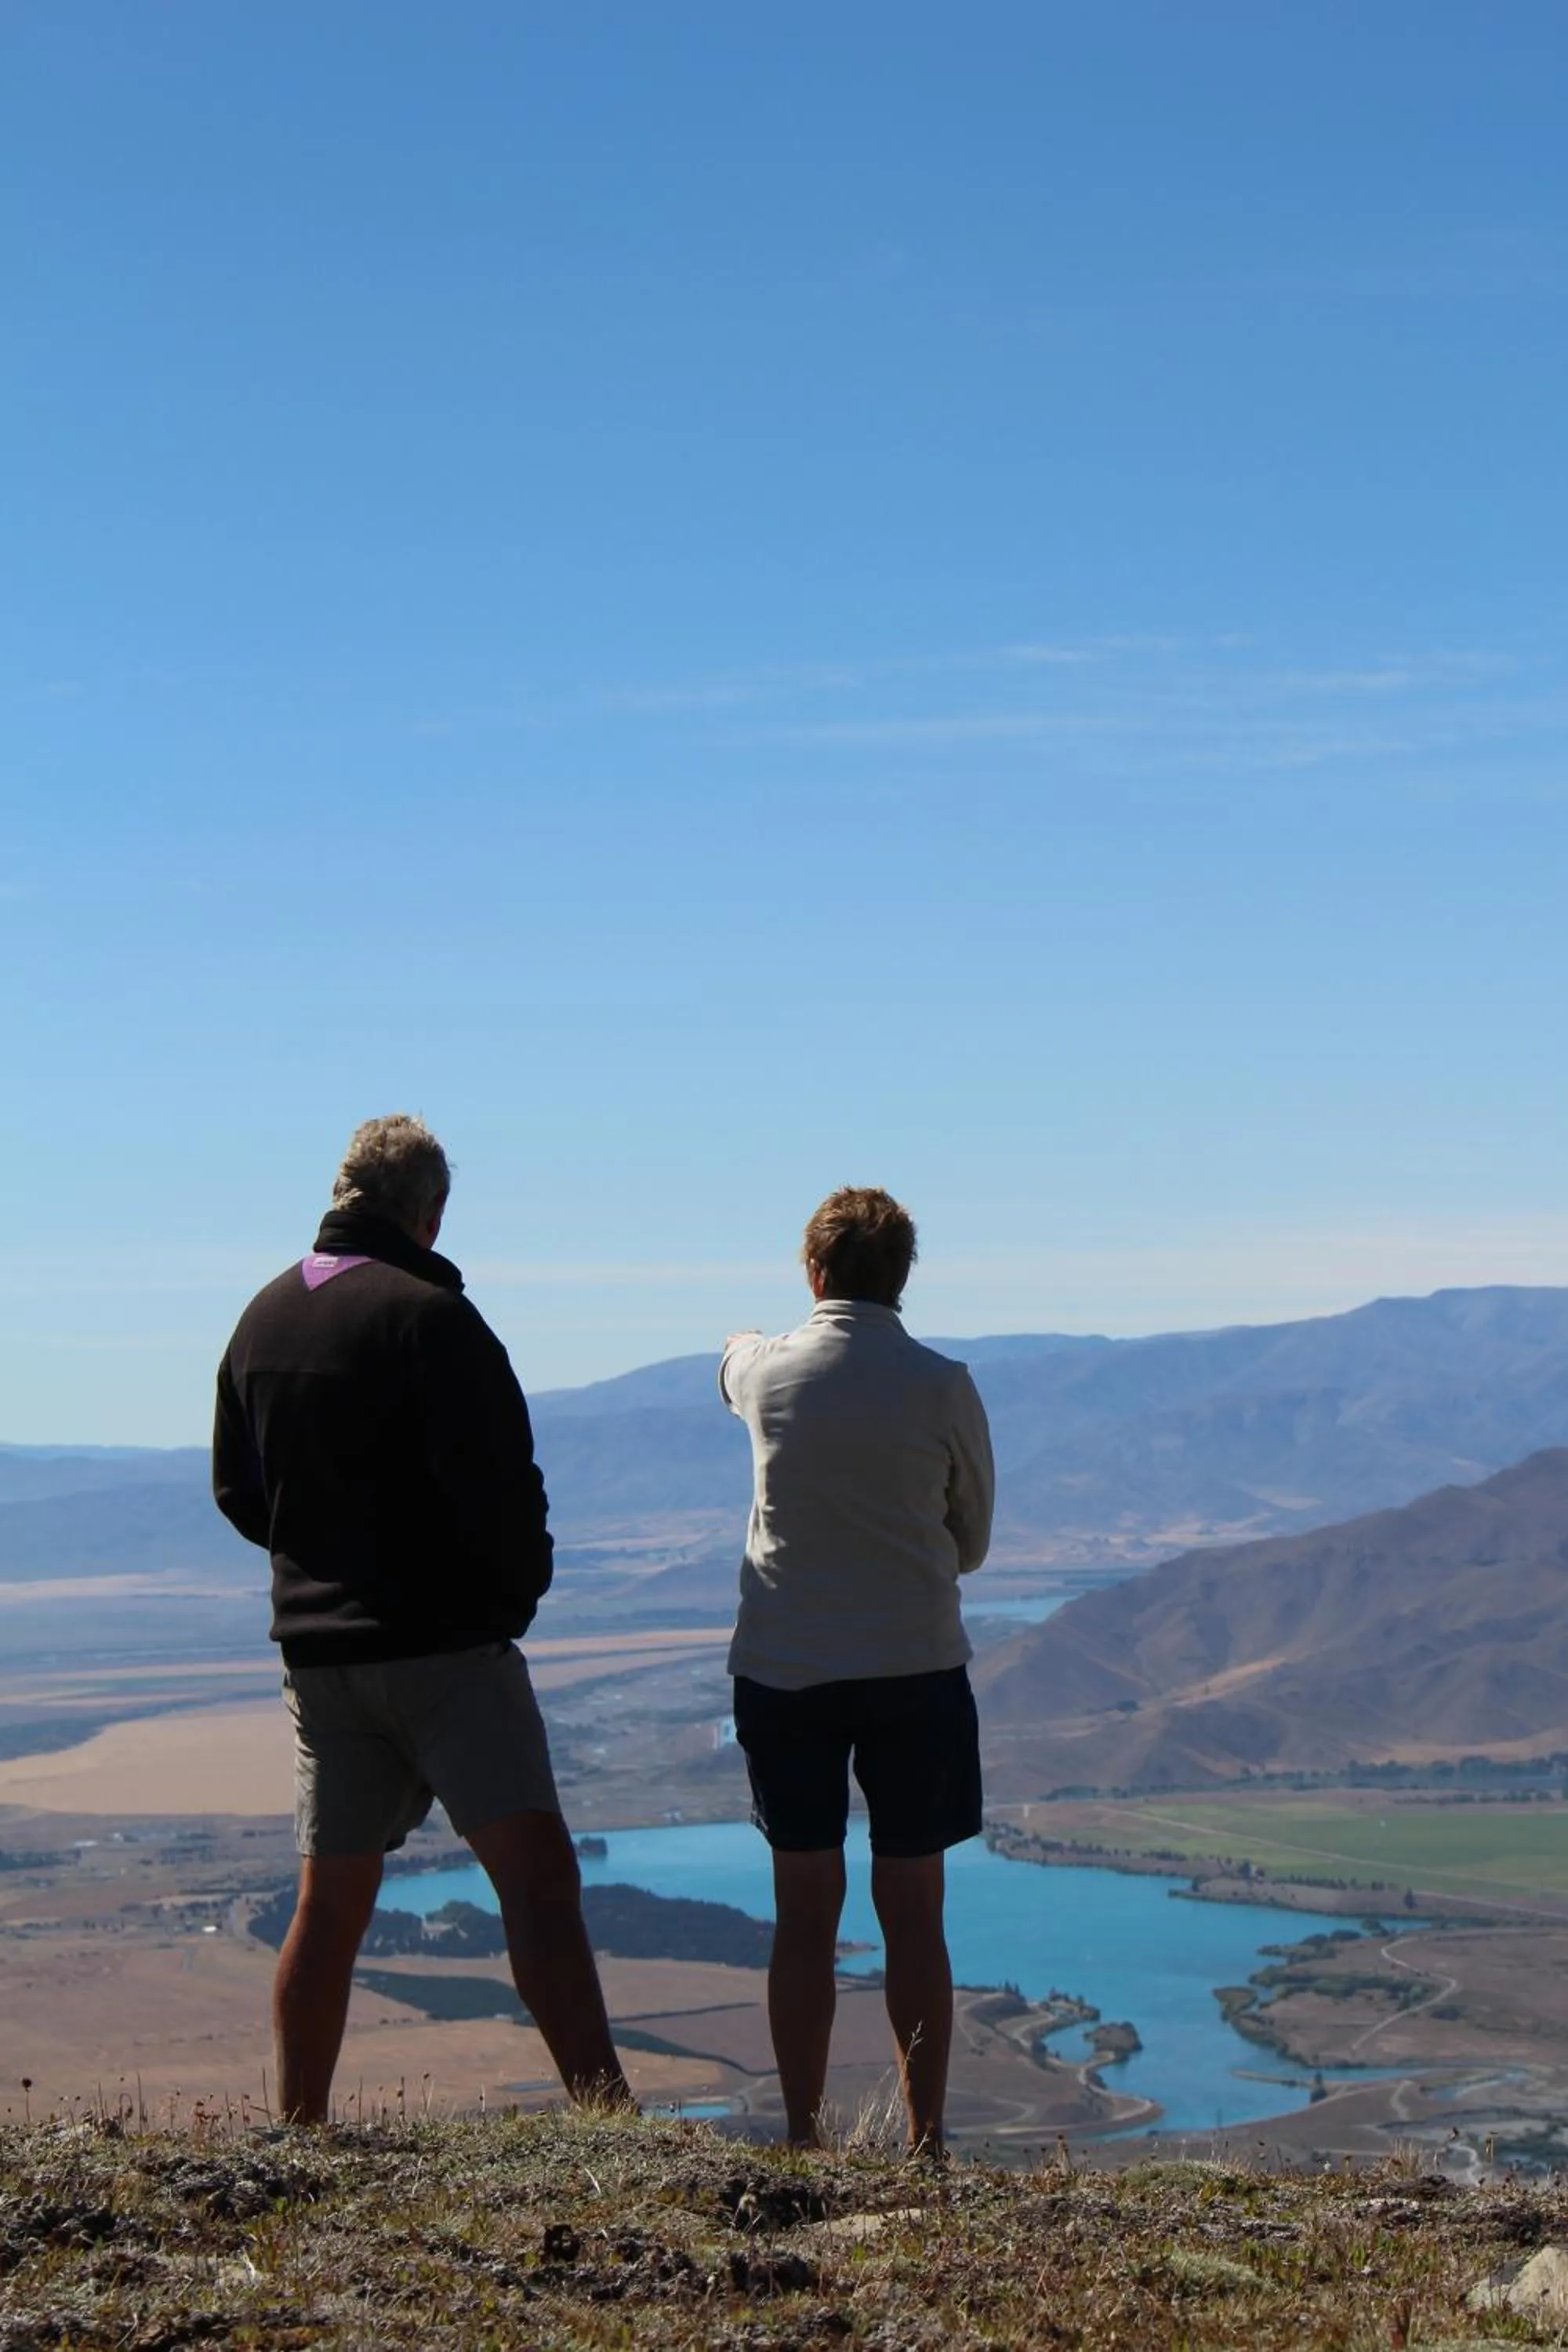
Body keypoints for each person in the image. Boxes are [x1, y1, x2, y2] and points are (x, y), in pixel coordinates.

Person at [213, 1112, 633, 2124]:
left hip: (319, 1661)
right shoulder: (432, 1319)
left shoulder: (262, 1319)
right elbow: (503, 1492)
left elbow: (237, 1492)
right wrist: (506, 1603)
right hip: (444, 1655)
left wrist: (318, 1569)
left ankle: (300, 2130)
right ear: (427, 1212)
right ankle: (609, 2122)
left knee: (331, 1905)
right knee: (537, 1884)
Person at [720, 1185, 994, 2154]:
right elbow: (972, 1538)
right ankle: (923, 2140)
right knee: (913, 1915)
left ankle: (804, 2136)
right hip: (914, 1669)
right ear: (904, 1277)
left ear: (813, 1271)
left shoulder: (766, 1377)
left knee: (803, 1915)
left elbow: (733, 1360)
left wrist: (746, 1337)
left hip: (785, 1675)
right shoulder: (942, 1384)